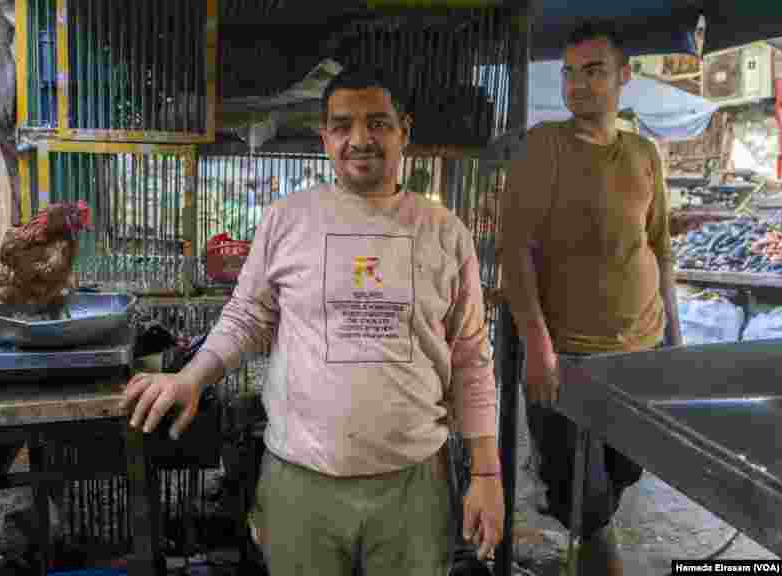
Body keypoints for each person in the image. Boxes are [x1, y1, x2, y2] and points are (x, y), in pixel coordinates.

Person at [122, 67, 505, 575]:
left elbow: (472, 359)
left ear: (403, 131)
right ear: (324, 137)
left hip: (415, 486)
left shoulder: (443, 233)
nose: (360, 140)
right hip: (301, 484)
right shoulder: (288, 219)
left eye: (377, 123)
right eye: (343, 125)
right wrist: (192, 378)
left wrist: (486, 472)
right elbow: (247, 316)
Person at [500, 20, 682, 576]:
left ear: (624, 76)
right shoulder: (544, 146)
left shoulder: (644, 153)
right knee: (586, 503)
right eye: (569, 73)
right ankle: (594, 548)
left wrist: (674, 336)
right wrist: (537, 344)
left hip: (640, 349)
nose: (577, 84)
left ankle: (579, 520)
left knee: (628, 468)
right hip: (567, 358)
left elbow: (658, 244)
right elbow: (514, 251)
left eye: (594, 71)